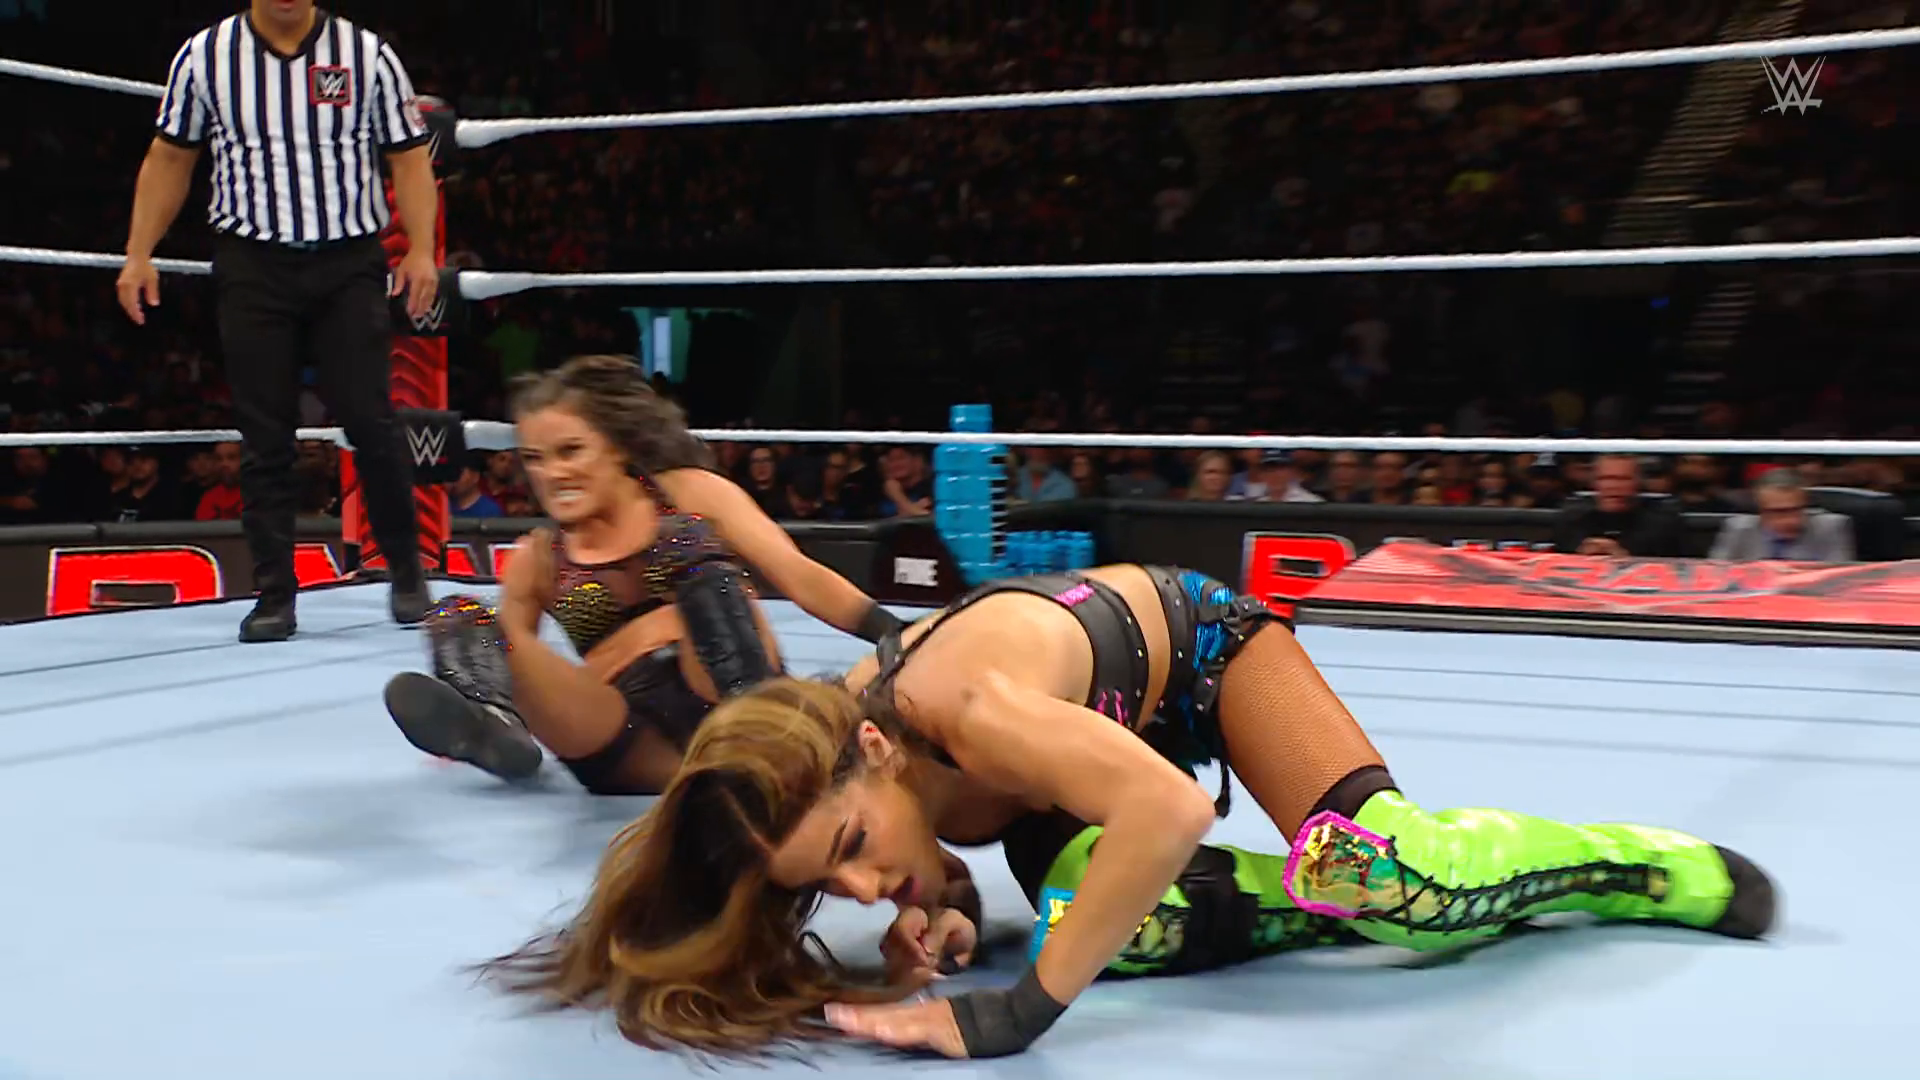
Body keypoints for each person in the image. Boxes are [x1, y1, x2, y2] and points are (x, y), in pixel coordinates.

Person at [476, 562, 1776, 1058]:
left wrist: (1018, 1011)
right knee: (1113, 921)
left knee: (1394, 877)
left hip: (1200, 665)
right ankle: (1302, 901)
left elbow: (1160, 804)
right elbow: (954, 842)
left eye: (858, 851)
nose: (863, 892)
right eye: (833, 884)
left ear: (875, 751)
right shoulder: (850, 762)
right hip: (1075, 765)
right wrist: (942, 909)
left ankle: (1635, 863)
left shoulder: (961, 706)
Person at [383, 355, 905, 795]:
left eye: (570, 451)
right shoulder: (538, 559)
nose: (551, 473)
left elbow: (798, 574)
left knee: (685, 541)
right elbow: (527, 671)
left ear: (616, 445)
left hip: (732, 705)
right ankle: (493, 731)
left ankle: (765, 738)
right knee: (459, 614)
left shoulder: (686, 494)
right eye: (534, 458)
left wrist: (892, 633)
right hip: (629, 740)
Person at [120, 0, 440, 642]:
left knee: (369, 419)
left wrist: (423, 251)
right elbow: (170, 157)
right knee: (264, 433)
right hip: (253, 262)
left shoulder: (367, 54)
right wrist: (138, 253)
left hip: (347, 261)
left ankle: (407, 572)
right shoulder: (206, 56)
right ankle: (274, 595)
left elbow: (408, 157)